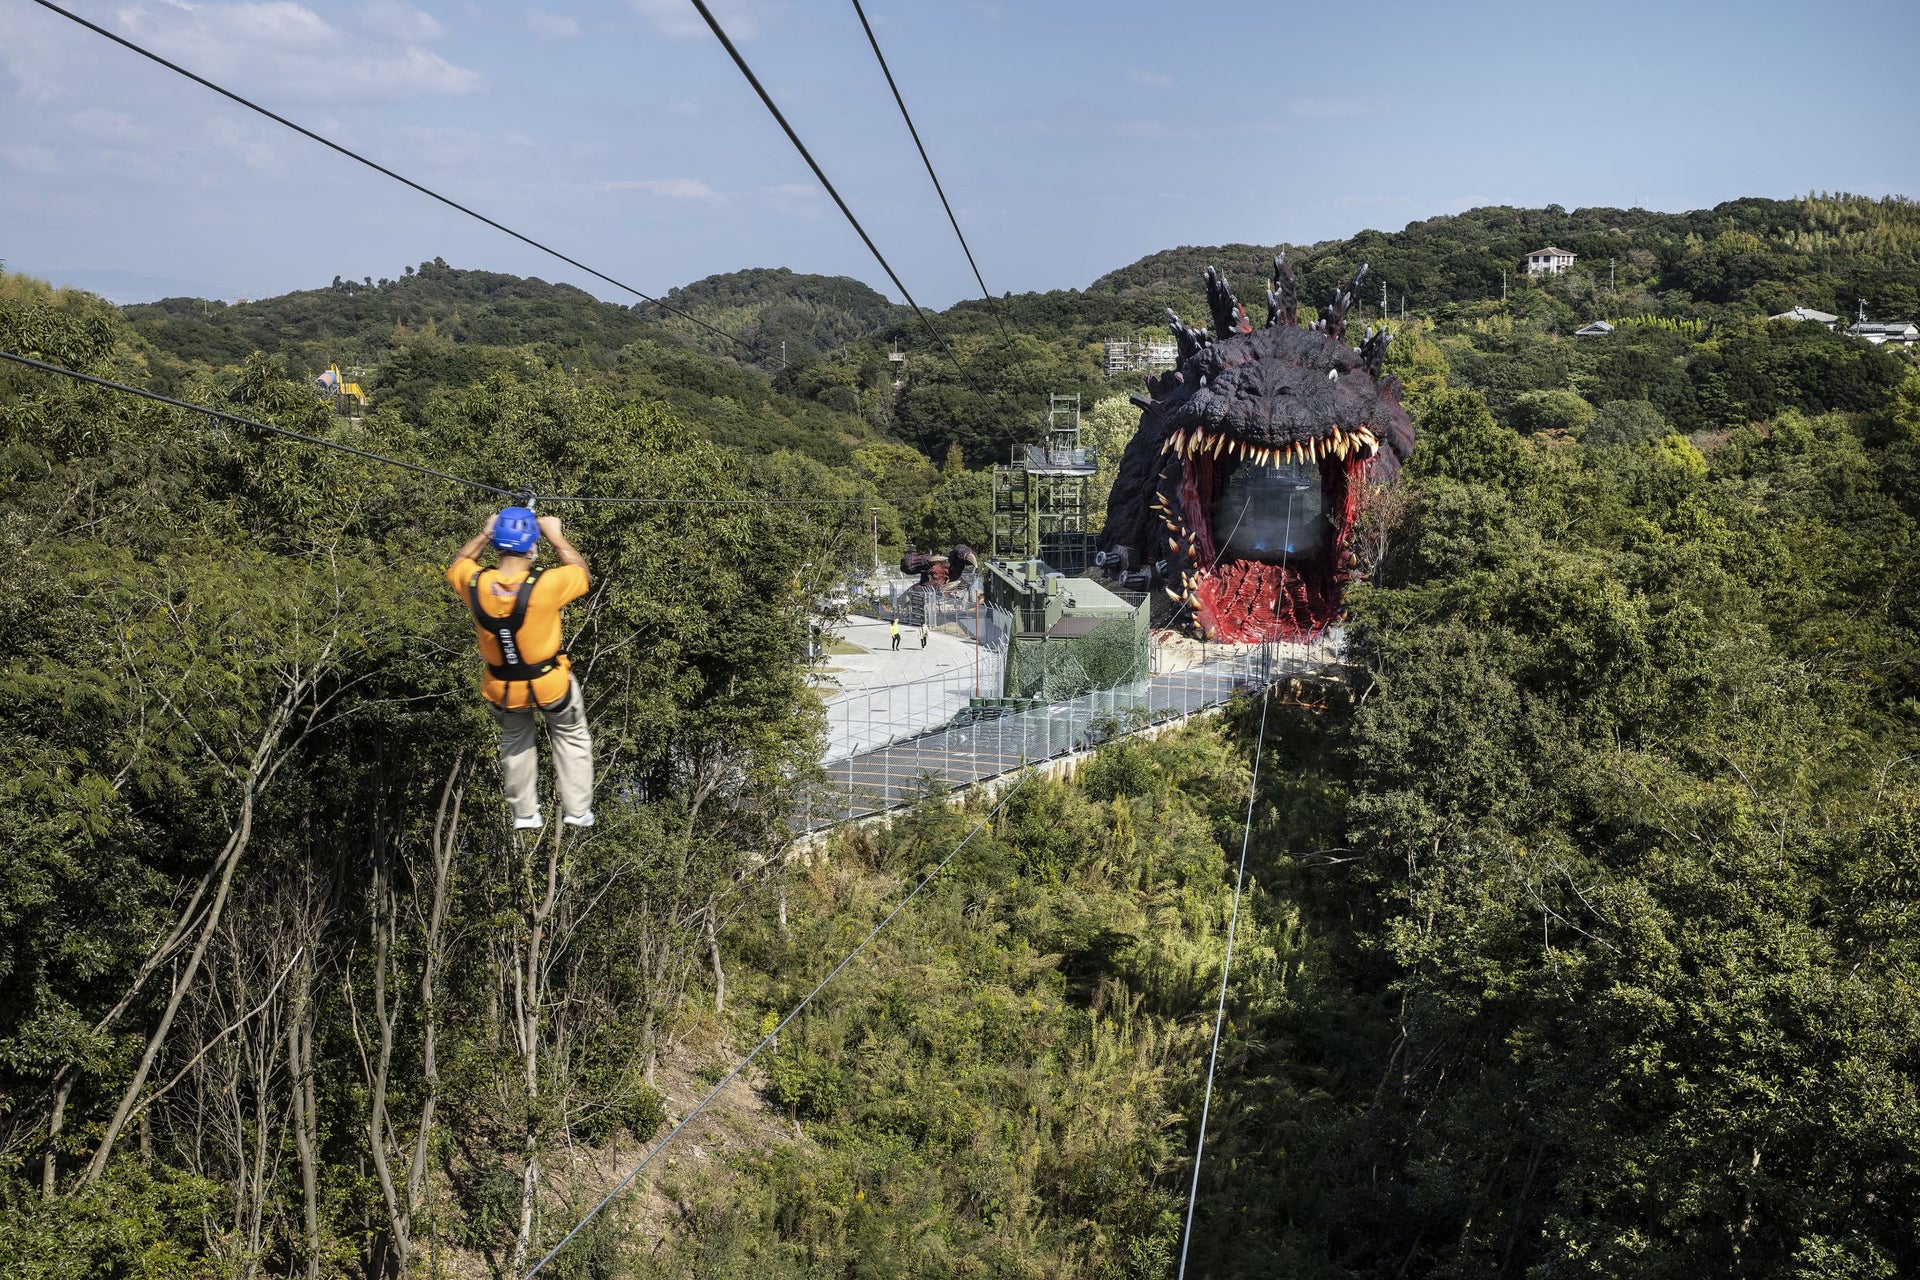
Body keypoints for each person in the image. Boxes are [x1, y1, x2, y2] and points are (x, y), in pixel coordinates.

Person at [448, 507, 594, 830]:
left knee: (515, 741)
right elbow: (581, 573)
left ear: (497, 545)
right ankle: (577, 809)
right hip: (549, 684)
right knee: (571, 736)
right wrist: (556, 537)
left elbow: (459, 562)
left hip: (504, 689)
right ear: (532, 547)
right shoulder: (547, 583)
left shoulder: (475, 583)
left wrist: (484, 533)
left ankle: (525, 813)